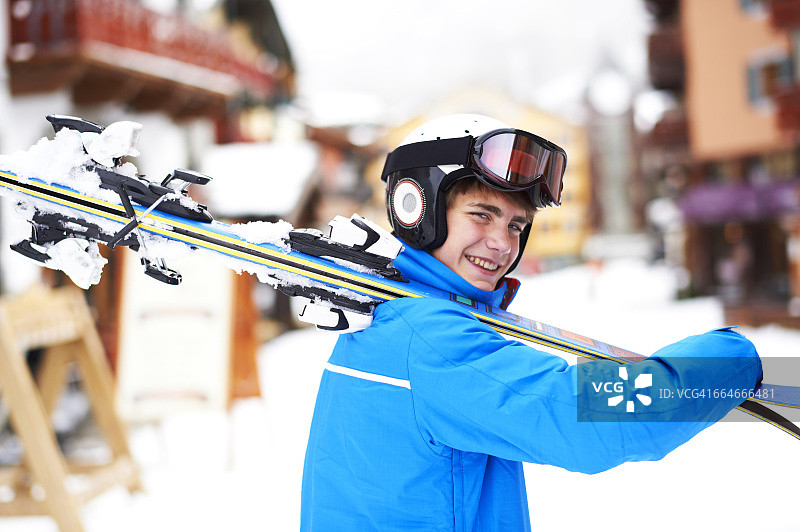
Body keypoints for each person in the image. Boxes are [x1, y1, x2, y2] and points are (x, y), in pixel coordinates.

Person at [300, 114, 762, 531]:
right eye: (482, 215)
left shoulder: (385, 320)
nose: (503, 244)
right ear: (416, 209)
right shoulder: (432, 339)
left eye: (516, 226)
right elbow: (587, 416)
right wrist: (735, 358)